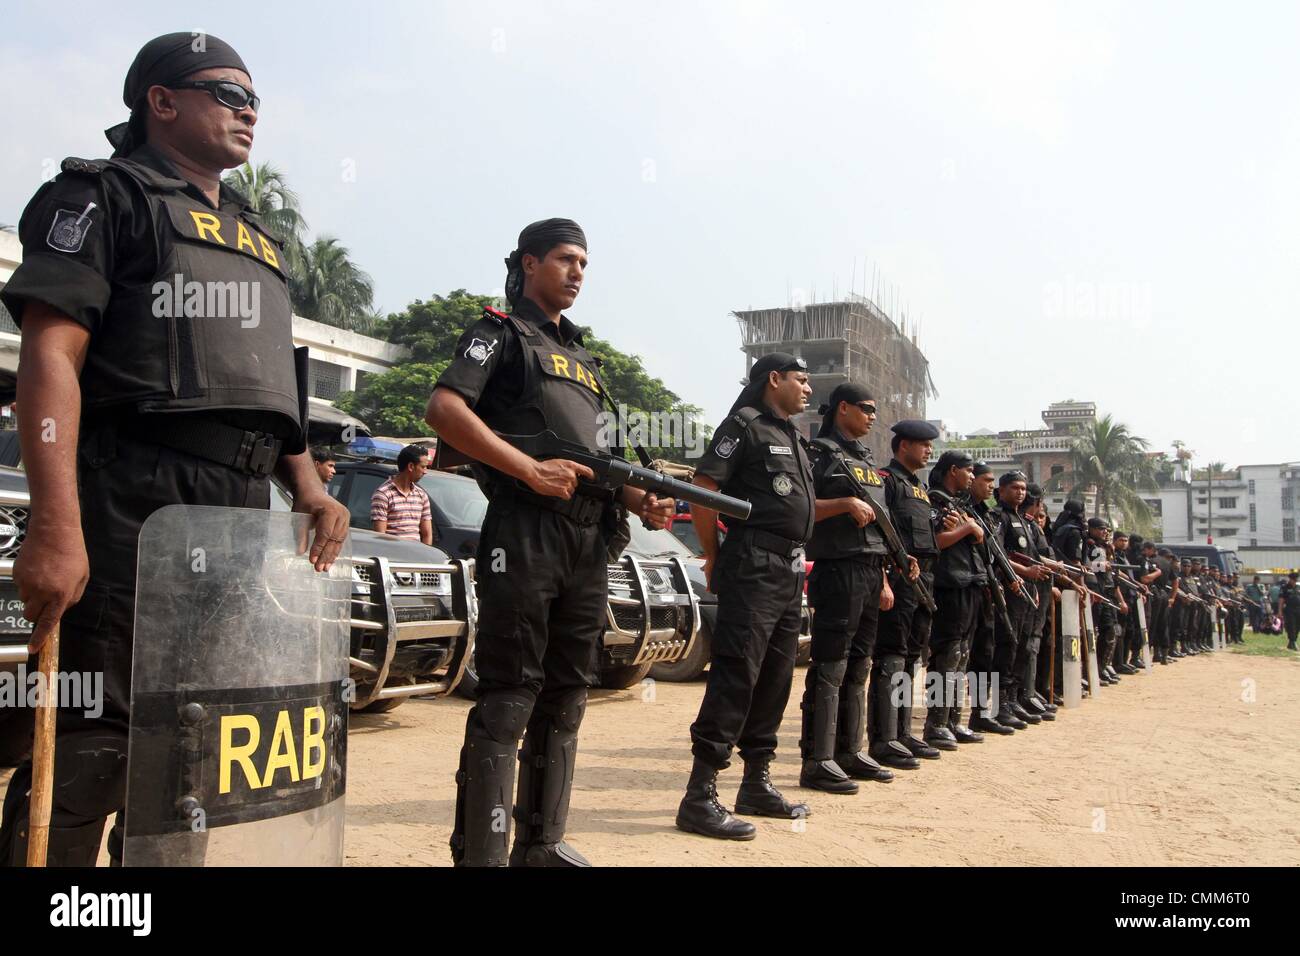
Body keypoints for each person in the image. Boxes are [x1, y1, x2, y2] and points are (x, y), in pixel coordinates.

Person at [0, 33, 351, 867]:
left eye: (255, 98)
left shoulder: (256, 238)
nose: (249, 110)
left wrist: (307, 487)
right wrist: (55, 523)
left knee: (197, 739)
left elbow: (272, 390)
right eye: (228, 93)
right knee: (102, 739)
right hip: (134, 490)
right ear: (161, 101)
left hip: (236, 513)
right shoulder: (101, 196)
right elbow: (51, 360)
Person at [426, 218, 673, 866]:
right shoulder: (499, 334)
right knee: (510, 693)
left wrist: (639, 497)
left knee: (568, 693)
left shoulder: (588, 362)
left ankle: (543, 842)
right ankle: (482, 851)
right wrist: (527, 469)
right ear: (529, 263)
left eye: (585, 263)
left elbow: (604, 461)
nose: (577, 273)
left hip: (586, 543)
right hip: (524, 531)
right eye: (566, 259)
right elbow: (446, 411)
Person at [676, 352, 815, 840]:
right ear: (773, 380)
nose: (808, 389)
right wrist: (713, 554)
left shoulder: (793, 436)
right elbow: (703, 488)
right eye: (801, 380)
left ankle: (755, 782)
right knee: (737, 673)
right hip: (752, 563)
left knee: (776, 677)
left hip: (789, 569)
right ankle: (699, 795)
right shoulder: (745, 425)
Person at [799, 383, 897, 793]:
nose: (873, 416)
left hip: (871, 569)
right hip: (838, 569)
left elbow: (880, 524)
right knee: (831, 665)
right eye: (866, 409)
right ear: (843, 408)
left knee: (860, 664)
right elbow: (799, 507)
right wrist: (842, 505)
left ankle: (849, 752)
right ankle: (817, 759)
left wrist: (886, 577)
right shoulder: (817, 452)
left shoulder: (864, 459)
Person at [869, 420, 942, 767]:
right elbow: (883, 533)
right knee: (891, 657)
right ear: (904, 446)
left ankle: (901, 733)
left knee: (911, 659)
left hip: (922, 580)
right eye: (922, 444)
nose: (928, 450)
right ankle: (884, 739)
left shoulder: (920, 488)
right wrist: (884, 579)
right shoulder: (888, 481)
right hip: (899, 578)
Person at [923, 451, 987, 748]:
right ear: (953, 471)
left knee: (961, 654)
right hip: (949, 584)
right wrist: (967, 528)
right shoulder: (935, 499)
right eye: (969, 471)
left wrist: (969, 527)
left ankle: (952, 720)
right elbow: (936, 541)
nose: (972, 477)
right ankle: (936, 724)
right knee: (946, 656)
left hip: (969, 581)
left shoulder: (958, 505)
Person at [370, 444, 435, 545]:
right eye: (423, 467)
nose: (425, 471)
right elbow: (380, 536)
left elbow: (427, 534)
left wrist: (426, 556)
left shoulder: (421, 495)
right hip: (394, 556)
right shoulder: (383, 494)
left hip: (416, 556)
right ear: (411, 466)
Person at [1279, 571, 1300, 651]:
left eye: (1296, 579)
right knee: (1291, 625)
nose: (1295, 581)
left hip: (1298, 609)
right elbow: (1281, 600)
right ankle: (1292, 642)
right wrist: (1280, 611)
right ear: (1290, 579)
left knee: (1298, 626)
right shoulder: (1284, 587)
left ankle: (1292, 642)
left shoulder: (1298, 587)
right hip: (1289, 609)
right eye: (1293, 579)